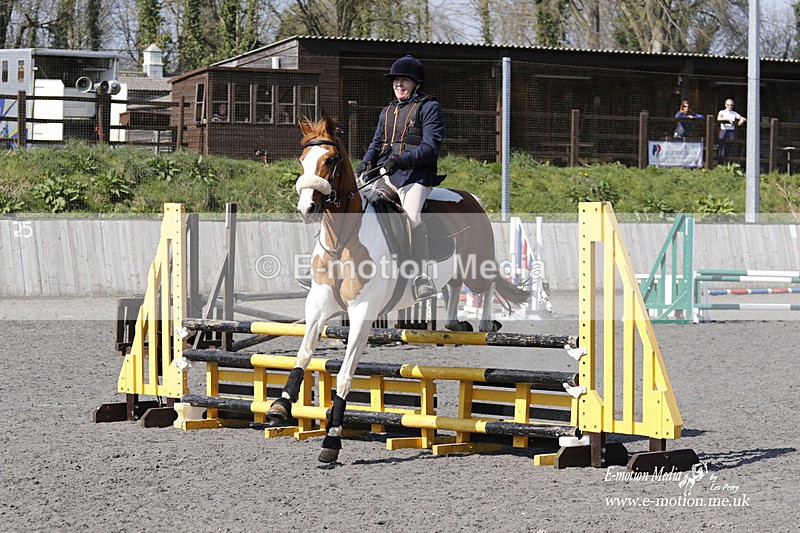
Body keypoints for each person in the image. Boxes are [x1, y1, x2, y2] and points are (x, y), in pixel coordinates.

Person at [355, 55, 446, 301]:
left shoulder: (429, 107)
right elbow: (377, 143)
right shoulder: (388, 111)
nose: (398, 85)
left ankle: (420, 277)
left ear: (416, 82)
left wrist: (401, 160)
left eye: (403, 80)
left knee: (412, 218)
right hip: (387, 174)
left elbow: (430, 147)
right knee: (355, 205)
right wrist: (366, 161)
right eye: (395, 81)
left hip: (416, 176)